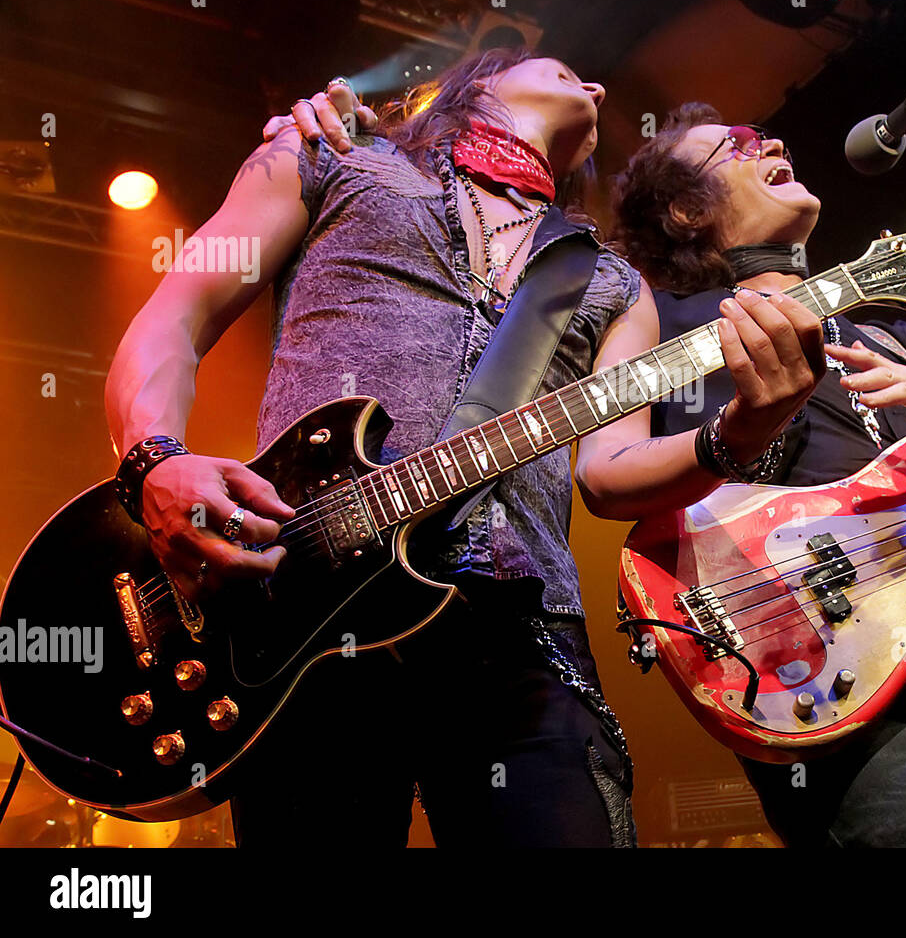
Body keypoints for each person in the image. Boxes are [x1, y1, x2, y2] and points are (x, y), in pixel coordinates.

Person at [106, 51, 825, 847]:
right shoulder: (331, 161)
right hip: (300, 624)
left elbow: (610, 476)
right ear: (471, 83)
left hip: (522, 635)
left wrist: (744, 431)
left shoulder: (614, 284)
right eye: (562, 66)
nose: (594, 85)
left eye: (595, 83)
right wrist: (152, 461)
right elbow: (178, 312)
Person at [607, 103, 906, 847]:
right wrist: (737, 431)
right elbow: (605, 479)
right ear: (686, 209)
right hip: (805, 658)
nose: (768, 141)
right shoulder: (662, 320)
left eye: (762, 134)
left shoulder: (882, 331)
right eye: (732, 146)